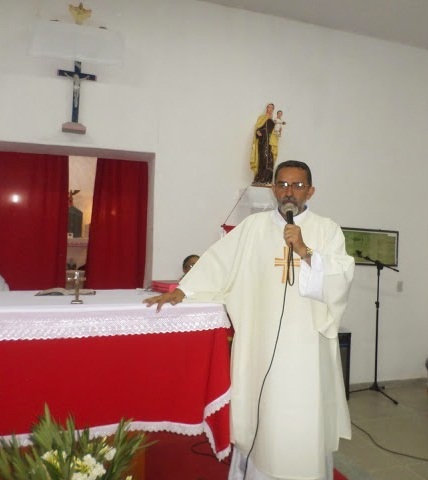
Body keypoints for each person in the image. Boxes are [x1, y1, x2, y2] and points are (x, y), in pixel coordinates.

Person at [144, 160, 354, 480]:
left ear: (311, 191)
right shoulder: (253, 228)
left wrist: (304, 250)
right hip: (261, 342)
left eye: (298, 185)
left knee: (305, 415)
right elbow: (219, 264)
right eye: (283, 184)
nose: (289, 192)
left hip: (307, 348)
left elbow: (340, 279)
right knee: (262, 412)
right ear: (273, 189)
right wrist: (184, 291)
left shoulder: (327, 229)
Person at [250, 103, 276, 186]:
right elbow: (257, 128)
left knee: (270, 161)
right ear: (266, 108)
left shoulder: (273, 121)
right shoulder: (262, 118)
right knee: (263, 159)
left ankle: (268, 180)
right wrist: (258, 132)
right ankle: (260, 179)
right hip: (263, 142)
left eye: (272, 108)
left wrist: (279, 131)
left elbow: (275, 133)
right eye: (269, 107)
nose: (270, 109)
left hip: (270, 143)